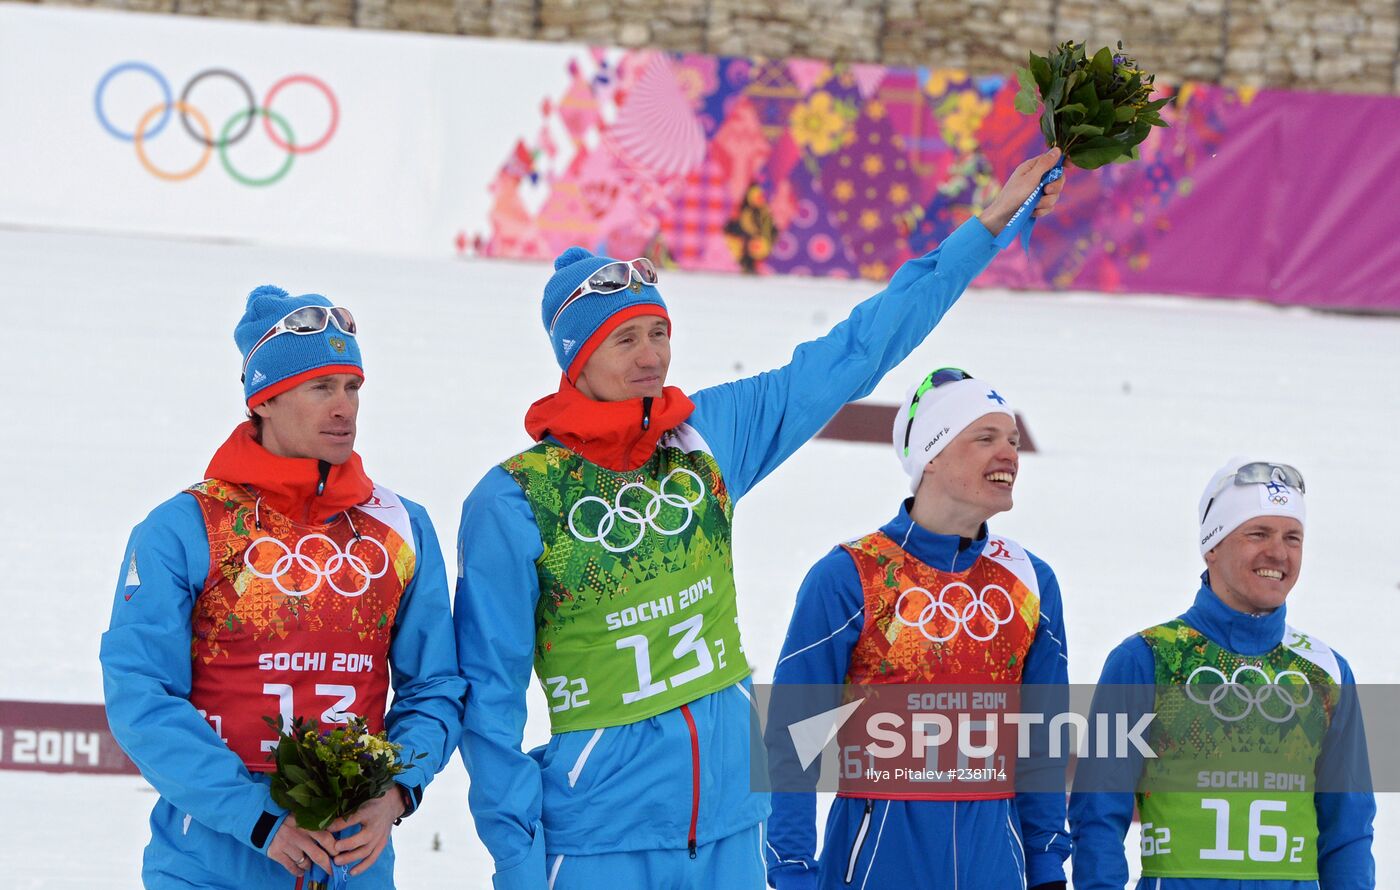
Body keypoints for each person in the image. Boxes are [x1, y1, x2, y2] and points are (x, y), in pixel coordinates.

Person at [454, 150, 1069, 889]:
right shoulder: (515, 499)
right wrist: (517, 864)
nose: (652, 355)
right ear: (574, 357)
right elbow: (488, 701)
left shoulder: (706, 439)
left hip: (730, 823)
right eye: (625, 340)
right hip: (598, 838)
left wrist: (989, 226)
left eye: (659, 332)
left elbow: (854, 352)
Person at [100, 286, 465, 888]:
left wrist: (398, 791)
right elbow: (142, 695)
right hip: (212, 863)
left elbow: (436, 685)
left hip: (355, 866)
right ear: (264, 399)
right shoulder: (186, 527)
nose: (344, 408)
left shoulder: (401, 526)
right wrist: (258, 819)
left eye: (353, 387)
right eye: (322, 388)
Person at [763, 368, 1071, 889]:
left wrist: (1044, 869)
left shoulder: (1030, 580)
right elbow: (793, 737)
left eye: (1014, 440)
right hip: (874, 865)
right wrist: (792, 870)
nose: (1010, 455)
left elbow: (1043, 741)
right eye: (986, 437)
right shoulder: (849, 575)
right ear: (931, 455)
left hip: (996, 865)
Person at [1069, 458, 1376, 889]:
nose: (1278, 552)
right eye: (1258, 533)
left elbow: (1349, 832)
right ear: (1212, 545)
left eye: (1293, 537)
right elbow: (1097, 815)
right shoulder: (1146, 660)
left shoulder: (1325, 671)